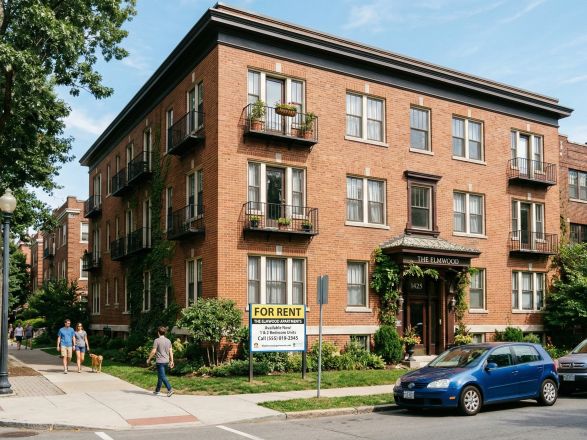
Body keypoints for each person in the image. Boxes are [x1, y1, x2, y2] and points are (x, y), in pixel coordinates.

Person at [146, 326, 174, 397]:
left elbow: (153, 351)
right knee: (160, 376)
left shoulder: (157, 340)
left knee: (162, 376)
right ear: (165, 333)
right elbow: (170, 351)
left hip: (160, 362)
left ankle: (170, 389)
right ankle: (157, 390)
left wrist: (149, 358)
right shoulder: (168, 341)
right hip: (166, 361)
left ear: (158, 333)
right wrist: (172, 361)